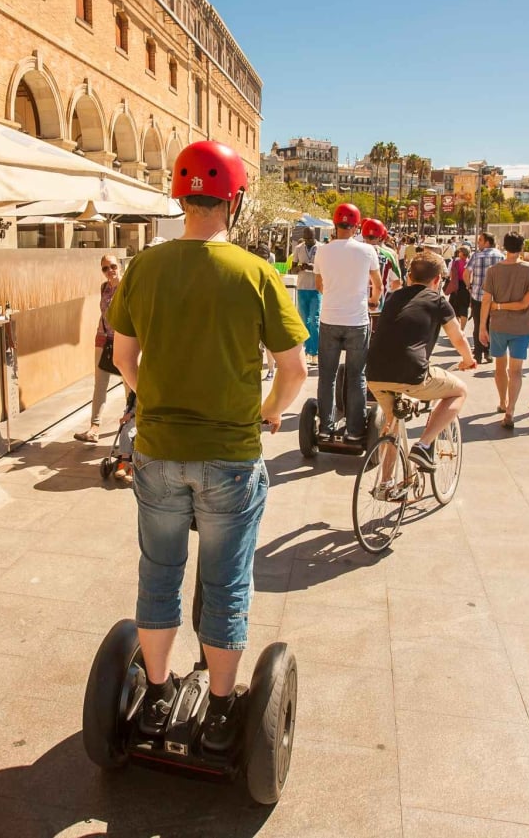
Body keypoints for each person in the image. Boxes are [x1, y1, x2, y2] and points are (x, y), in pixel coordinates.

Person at [105, 139, 308, 750]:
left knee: (159, 575)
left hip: (159, 449)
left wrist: (157, 401)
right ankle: (221, 710)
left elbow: (124, 360)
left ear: (180, 194)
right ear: (234, 199)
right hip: (231, 456)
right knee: (226, 582)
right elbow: (294, 372)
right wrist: (267, 416)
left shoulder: (144, 267)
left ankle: (159, 697)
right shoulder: (255, 274)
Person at [367, 251, 475, 478]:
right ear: (437, 280)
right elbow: (458, 338)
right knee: (459, 391)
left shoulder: (394, 297)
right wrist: (468, 360)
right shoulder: (438, 301)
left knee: (392, 425)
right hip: (412, 372)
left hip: (375, 372)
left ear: (408, 277)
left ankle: (386, 483)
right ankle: (424, 446)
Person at [314, 203, 383, 442]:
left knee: (327, 376)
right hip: (357, 320)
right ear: (357, 226)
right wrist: (372, 301)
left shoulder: (322, 251)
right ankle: (354, 431)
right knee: (356, 376)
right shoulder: (367, 251)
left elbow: (319, 285)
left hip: (330, 319)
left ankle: (325, 428)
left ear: (335, 224)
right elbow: (378, 284)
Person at [479, 232, 529, 430]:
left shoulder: (493, 271)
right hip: (521, 326)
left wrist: (482, 326)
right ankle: (511, 409)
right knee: (516, 370)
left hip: (498, 325)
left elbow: (486, 300)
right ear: (521, 248)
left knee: (500, 367)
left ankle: (502, 401)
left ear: (504, 247)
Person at [75, 253, 123, 443]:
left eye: (112, 266)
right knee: (100, 383)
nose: (109, 271)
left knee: (128, 386)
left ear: (119, 265)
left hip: (123, 341)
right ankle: (94, 428)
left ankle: (129, 428)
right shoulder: (104, 288)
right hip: (103, 339)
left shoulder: (127, 287)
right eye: (104, 268)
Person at [465, 232, 504, 364]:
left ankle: (478, 354)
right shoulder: (501, 256)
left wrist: (469, 286)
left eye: (480, 240)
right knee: (490, 325)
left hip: (478, 295)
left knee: (478, 325)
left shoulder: (476, 256)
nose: (478, 243)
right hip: (495, 298)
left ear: (487, 242)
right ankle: (488, 352)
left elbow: (466, 273)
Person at [291, 227, 322, 364]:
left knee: (315, 320)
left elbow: (325, 268)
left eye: (311, 238)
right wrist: (300, 268)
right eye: (306, 238)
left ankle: (314, 352)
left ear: (314, 236)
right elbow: (292, 269)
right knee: (304, 320)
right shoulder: (298, 248)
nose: (308, 241)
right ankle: (307, 350)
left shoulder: (321, 248)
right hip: (302, 288)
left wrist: (312, 267)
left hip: (316, 288)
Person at [361, 218, 402, 299]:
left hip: (358, 306)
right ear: (380, 237)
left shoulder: (356, 253)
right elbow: (397, 282)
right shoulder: (389, 255)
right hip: (381, 305)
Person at [445, 246, 474, 338]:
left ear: (461, 253)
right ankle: (462, 330)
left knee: (454, 308)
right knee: (464, 308)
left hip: (456, 286)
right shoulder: (470, 262)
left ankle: (458, 330)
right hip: (466, 286)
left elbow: (449, 274)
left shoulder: (455, 262)